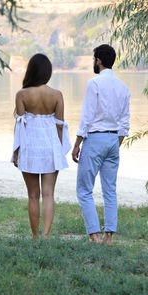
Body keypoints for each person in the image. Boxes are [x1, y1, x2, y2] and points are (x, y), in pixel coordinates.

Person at [72, 44, 130, 246]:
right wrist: (117, 143)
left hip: (95, 139)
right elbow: (125, 123)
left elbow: (87, 116)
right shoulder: (123, 87)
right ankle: (109, 237)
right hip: (113, 140)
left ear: (98, 60)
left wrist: (77, 143)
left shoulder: (94, 83)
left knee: (84, 189)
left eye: (94, 59)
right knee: (110, 190)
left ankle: (94, 235)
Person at [11, 53, 71, 239]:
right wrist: (60, 150)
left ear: (31, 70)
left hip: (29, 147)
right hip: (50, 147)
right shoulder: (56, 95)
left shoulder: (22, 94)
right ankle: (45, 235)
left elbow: (20, 127)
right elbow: (60, 126)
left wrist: (16, 152)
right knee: (48, 194)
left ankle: (35, 236)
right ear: (47, 72)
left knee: (33, 195)